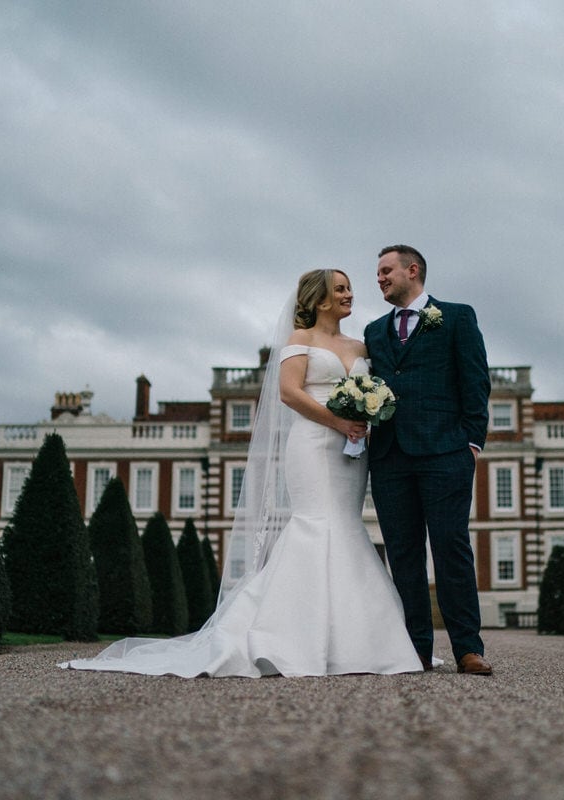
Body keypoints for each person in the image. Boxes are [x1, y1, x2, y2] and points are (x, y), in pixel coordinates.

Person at [60, 269, 421, 677]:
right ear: (319, 299)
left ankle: (358, 644)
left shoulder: (361, 344)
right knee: (316, 524)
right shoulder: (300, 340)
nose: (349, 294)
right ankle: (287, 638)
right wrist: (338, 422)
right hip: (313, 445)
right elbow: (289, 393)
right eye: (340, 289)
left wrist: (365, 418)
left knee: (346, 525)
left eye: (349, 287)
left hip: (351, 453)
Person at [363, 245, 493, 675]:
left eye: (386, 271)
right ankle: (415, 649)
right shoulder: (373, 330)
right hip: (389, 457)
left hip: (445, 453)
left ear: (412, 270)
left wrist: (471, 442)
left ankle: (467, 649)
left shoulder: (456, 316)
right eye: (378, 273)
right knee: (403, 553)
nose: (379, 278)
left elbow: (476, 380)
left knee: (451, 548)